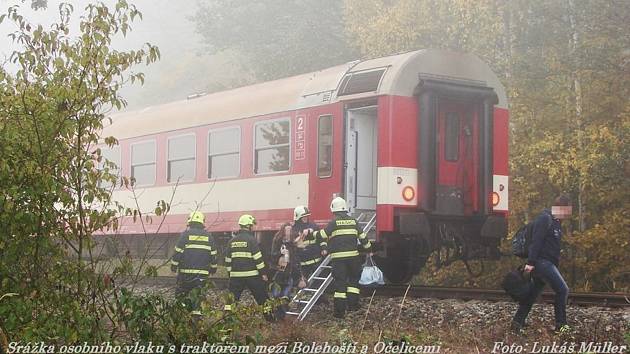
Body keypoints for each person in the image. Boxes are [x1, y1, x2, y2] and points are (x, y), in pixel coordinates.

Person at [511, 195, 573, 333]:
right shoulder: (545, 218)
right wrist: (531, 262)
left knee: (532, 294)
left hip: (547, 263)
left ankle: (517, 323)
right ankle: (561, 326)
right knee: (562, 290)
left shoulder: (556, 222)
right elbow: (536, 241)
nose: (568, 214)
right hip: (541, 263)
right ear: (561, 208)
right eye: (567, 210)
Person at [316, 197, 371, 318]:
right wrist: (369, 250)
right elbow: (363, 238)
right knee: (353, 282)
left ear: (334, 211)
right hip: (353, 259)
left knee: (340, 285)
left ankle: (339, 313)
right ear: (345, 209)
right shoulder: (354, 221)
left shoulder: (334, 223)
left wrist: (312, 233)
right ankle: (353, 306)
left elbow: (322, 235)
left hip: (339, 260)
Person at [224, 214, 277, 321]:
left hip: (235, 276)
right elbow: (258, 259)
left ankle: (226, 321)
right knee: (262, 298)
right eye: (252, 225)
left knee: (231, 300)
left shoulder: (232, 241)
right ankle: (270, 319)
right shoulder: (251, 240)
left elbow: (228, 261)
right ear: (248, 226)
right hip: (252, 276)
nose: (253, 227)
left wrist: (231, 274)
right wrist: (263, 274)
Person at [171, 211, 218, 314]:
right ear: (202, 223)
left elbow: (177, 253)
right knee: (198, 298)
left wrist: (173, 267)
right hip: (202, 275)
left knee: (181, 295)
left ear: (190, 222)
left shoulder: (185, 235)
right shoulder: (209, 237)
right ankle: (196, 319)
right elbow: (214, 255)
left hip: (185, 274)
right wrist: (213, 269)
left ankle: (181, 315)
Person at [269, 223, 303, 310]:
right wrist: (280, 253)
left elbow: (295, 259)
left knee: (286, 294)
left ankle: (283, 313)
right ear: (283, 231)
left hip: (289, 272)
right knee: (276, 294)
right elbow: (272, 256)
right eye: (286, 230)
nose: (288, 232)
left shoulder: (292, 243)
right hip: (278, 272)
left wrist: (300, 276)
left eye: (290, 230)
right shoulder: (277, 241)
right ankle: (276, 311)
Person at [292, 205, 326, 279]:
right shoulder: (293, 230)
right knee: (303, 283)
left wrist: (324, 248)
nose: (305, 218)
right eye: (303, 217)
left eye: (307, 216)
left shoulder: (313, 225)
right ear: (298, 217)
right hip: (303, 263)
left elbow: (321, 238)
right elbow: (293, 244)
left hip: (316, 260)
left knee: (318, 281)